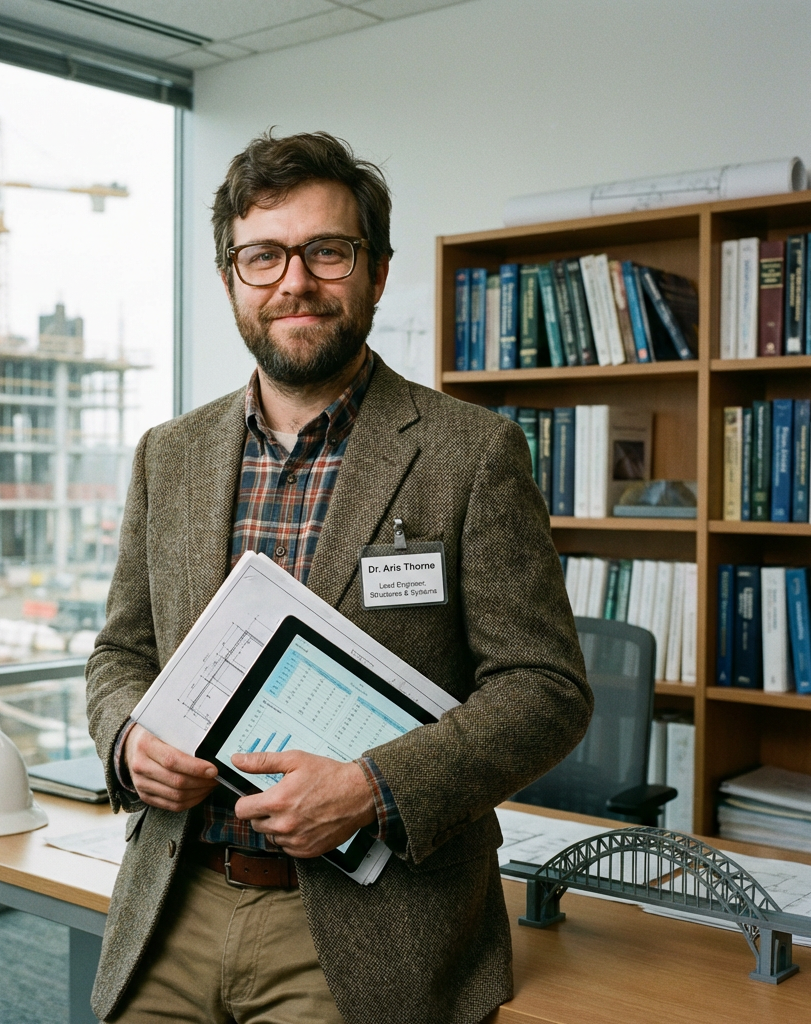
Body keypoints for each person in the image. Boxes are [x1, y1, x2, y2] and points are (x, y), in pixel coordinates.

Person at [86, 130, 592, 1024]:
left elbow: (546, 690)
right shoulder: (169, 454)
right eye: (263, 256)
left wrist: (374, 788)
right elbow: (121, 651)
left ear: (377, 271)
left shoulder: (470, 454)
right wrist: (128, 741)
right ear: (231, 277)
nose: (295, 281)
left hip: (368, 925)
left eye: (327, 251)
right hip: (174, 899)